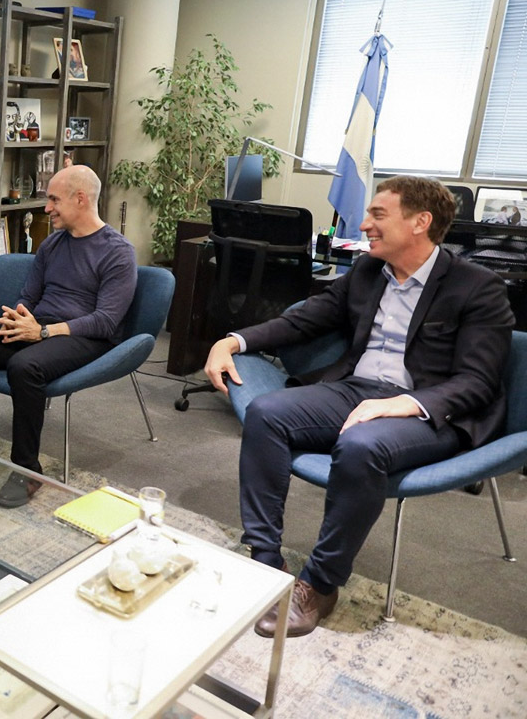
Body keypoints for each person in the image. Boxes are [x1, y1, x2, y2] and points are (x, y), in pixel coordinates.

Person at [203, 175, 513, 638]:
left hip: (429, 411)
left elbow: (478, 381)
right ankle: (265, 561)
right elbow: (304, 319)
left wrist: (404, 404)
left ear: (420, 222)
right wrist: (232, 340)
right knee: (267, 413)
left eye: (378, 214)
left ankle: (320, 583)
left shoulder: (477, 287)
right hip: (356, 389)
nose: (364, 224)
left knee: (361, 445)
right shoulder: (369, 271)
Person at [0, 165, 137, 507]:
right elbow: (30, 295)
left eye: (54, 199)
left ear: (81, 199)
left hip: (85, 336)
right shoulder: (53, 244)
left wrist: (43, 332)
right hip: (40, 326)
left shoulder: (118, 252)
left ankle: (27, 470)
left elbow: (106, 321)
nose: (47, 207)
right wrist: (18, 316)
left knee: (25, 366)